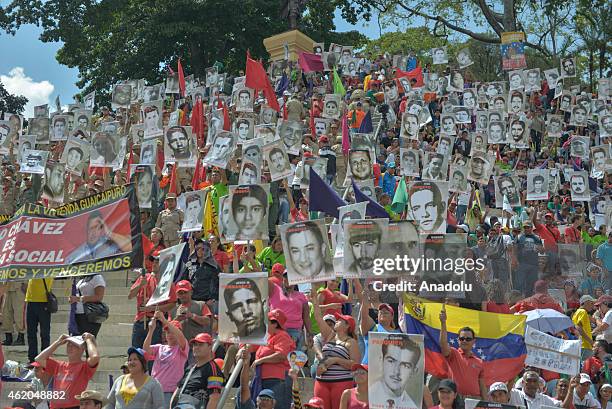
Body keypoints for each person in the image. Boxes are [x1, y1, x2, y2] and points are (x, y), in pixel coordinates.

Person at [311, 288, 360, 409]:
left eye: (340, 320)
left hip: (341, 383)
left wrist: (335, 360)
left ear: (348, 326)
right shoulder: (329, 334)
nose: (336, 320)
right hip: (321, 381)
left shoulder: (351, 342)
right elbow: (317, 316)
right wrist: (314, 300)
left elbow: (355, 365)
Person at [35, 333, 100, 409]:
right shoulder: (58, 365)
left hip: (73, 407)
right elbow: (38, 359)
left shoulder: (84, 366)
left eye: (74, 345)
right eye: (68, 344)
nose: (70, 347)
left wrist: (88, 340)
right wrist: (57, 343)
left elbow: (95, 357)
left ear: (82, 349)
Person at [143, 310, 189, 407]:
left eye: (172, 332)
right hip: (154, 390)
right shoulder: (160, 347)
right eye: (167, 332)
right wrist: (151, 330)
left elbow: (181, 337)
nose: (170, 334)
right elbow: (146, 350)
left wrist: (164, 320)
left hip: (170, 392)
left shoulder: (181, 348)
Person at [252, 309, 296, 409]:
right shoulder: (267, 337)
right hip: (266, 379)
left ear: (275, 324)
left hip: (278, 380)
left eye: (267, 321)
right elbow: (250, 345)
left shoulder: (283, 335)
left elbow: (281, 355)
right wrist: (242, 349)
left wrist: (261, 360)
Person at [439, 308, 487, 399]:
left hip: (475, 400)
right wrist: (443, 323)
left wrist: (486, 405)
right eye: (462, 338)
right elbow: (443, 343)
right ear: (458, 340)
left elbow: (482, 387)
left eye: (468, 339)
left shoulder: (479, 362)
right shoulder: (453, 353)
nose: (464, 341)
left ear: (474, 341)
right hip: (456, 399)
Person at [66, 210, 130, 263]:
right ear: (86, 229)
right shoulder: (76, 254)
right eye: (92, 228)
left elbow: (130, 246)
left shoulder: (110, 244)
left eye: (98, 227)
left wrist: (110, 234)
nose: (95, 231)